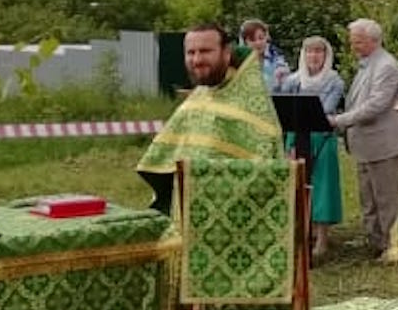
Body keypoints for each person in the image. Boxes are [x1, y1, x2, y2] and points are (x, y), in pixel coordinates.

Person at [136, 23, 281, 215]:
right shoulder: (198, 98)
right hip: (188, 213)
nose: (196, 59)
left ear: (226, 52)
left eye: (205, 51)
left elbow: (267, 170)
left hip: (237, 218)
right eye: (190, 52)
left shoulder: (251, 103)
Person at [332, 19, 398, 255]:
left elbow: (376, 105)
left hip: (382, 143)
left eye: (358, 40)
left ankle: (393, 245)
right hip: (365, 144)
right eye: (353, 40)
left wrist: (339, 120)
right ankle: (375, 241)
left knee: (386, 199)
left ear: (374, 40)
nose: (353, 45)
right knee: (368, 198)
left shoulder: (386, 66)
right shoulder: (367, 65)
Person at [287, 36, 345, 259]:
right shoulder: (293, 81)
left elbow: (325, 109)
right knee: (299, 184)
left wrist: (305, 110)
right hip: (297, 137)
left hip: (322, 138)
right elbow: (286, 109)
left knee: (323, 188)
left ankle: (322, 238)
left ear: (326, 55)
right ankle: (304, 232)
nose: (314, 56)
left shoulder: (335, 81)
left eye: (319, 52)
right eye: (310, 51)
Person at [240, 18, 290, 89]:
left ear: (266, 37)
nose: (258, 43)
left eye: (261, 38)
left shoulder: (277, 56)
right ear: (245, 42)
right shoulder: (238, 60)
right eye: (252, 40)